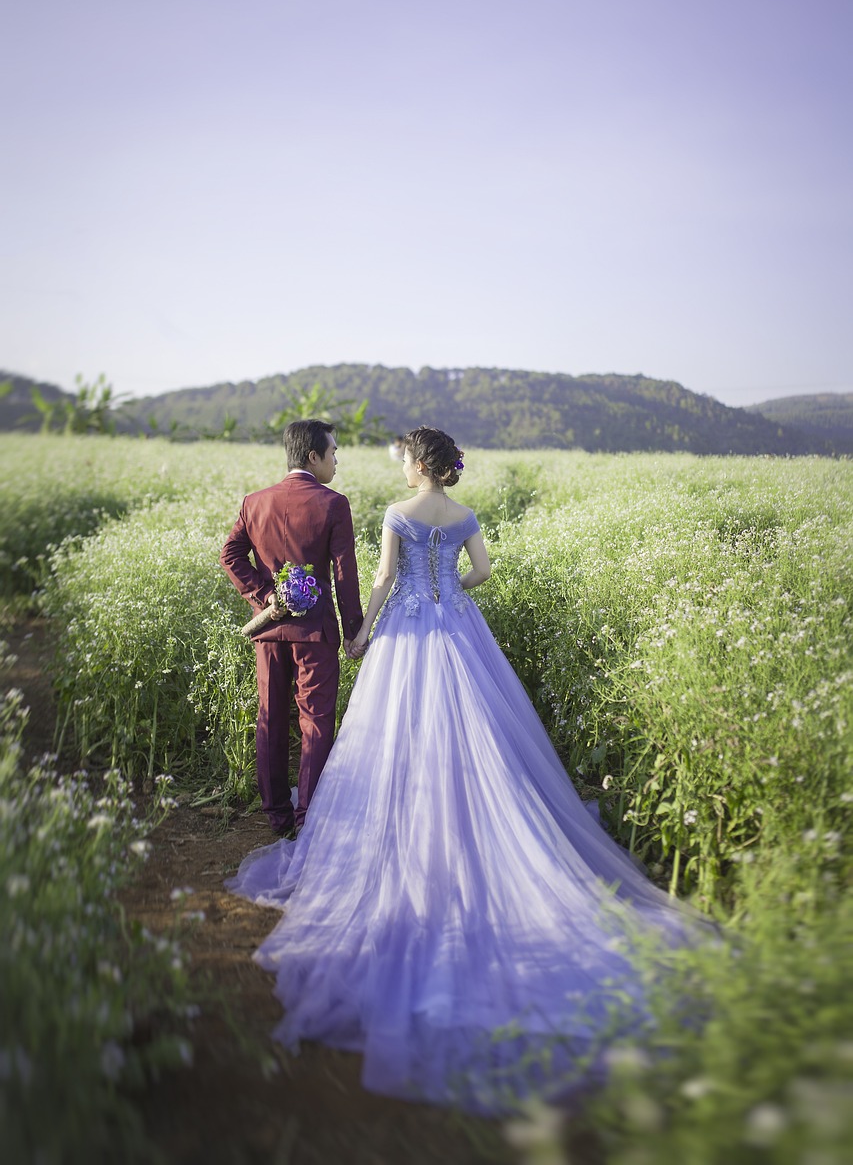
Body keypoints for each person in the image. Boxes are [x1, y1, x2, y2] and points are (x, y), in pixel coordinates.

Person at [226, 426, 701, 1113]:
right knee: (480, 734)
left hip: (407, 633)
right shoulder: (464, 515)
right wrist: (451, 587)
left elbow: (384, 576)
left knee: (397, 735)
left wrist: (360, 633)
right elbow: (482, 571)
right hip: (458, 626)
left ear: (416, 465)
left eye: (400, 458)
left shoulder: (395, 514)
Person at [220, 420, 363, 837]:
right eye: (333, 452)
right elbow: (344, 576)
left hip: (268, 633)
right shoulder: (333, 504)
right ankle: (309, 818)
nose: (337, 459)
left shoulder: (255, 501)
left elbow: (230, 556)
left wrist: (267, 598)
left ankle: (278, 817)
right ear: (313, 456)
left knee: (271, 716)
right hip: (315, 635)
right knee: (315, 721)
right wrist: (353, 629)